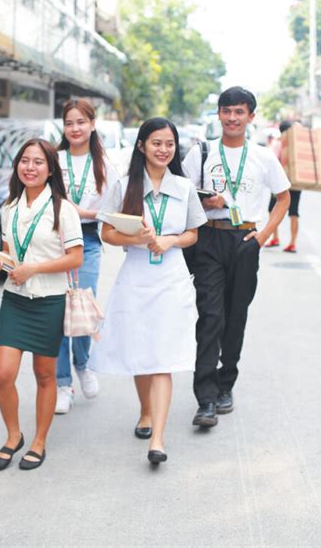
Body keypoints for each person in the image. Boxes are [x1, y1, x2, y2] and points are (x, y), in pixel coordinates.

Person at [89, 118, 207, 464]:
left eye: (169, 144)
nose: (163, 150)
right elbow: (106, 234)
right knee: (140, 349)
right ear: (142, 146)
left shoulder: (184, 188)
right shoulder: (125, 186)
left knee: (163, 357)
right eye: (156, 143)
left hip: (171, 279)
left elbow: (193, 234)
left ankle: (158, 438)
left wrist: (170, 239)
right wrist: (134, 239)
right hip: (136, 278)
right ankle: (144, 411)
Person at [183, 87, 290, 427]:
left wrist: (262, 236)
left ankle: (226, 385)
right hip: (210, 240)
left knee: (235, 315)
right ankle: (206, 398)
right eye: (227, 111)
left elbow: (283, 198)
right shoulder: (200, 153)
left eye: (239, 112)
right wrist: (205, 204)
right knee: (210, 315)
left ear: (250, 117)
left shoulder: (262, 156)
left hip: (246, 240)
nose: (232, 118)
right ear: (218, 114)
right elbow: (183, 198)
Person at [0, 139, 83, 471]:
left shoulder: (62, 209)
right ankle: (14, 436)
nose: (30, 167)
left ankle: (39, 441)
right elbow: (13, 254)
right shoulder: (9, 208)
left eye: (38, 162)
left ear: (50, 169)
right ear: (17, 166)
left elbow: (76, 257)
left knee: (44, 375)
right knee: (3, 374)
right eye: (24, 161)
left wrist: (36, 268)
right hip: (15, 300)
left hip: (49, 301)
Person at [55, 98, 119, 414]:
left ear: (92, 124)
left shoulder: (105, 165)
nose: (75, 128)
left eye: (81, 122)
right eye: (69, 123)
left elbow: (111, 211)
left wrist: (81, 211)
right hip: (53, 241)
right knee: (55, 311)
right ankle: (62, 383)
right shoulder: (54, 159)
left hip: (88, 239)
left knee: (81, 305)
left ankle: (83, 364)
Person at [265, 120, 302, 253]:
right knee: (294, 212)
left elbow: (272, 162)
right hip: (297, 183)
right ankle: (292, 242)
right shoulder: (297, 145)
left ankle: (275, 237)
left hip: (281, 183)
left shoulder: (278, 143)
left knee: (272, 209)